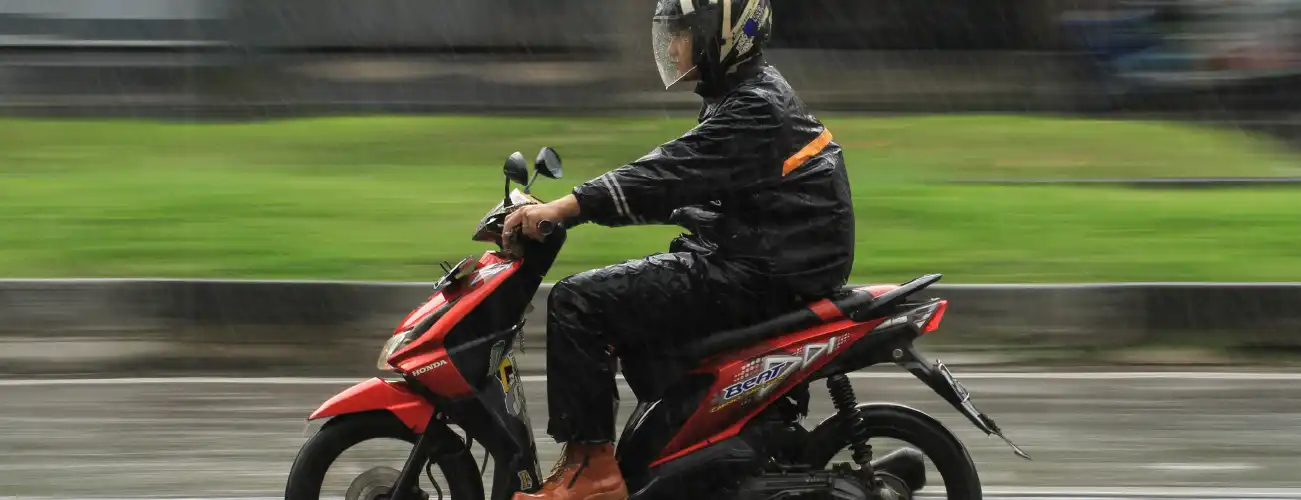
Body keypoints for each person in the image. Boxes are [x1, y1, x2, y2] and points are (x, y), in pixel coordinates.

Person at [503, 0, 854, 498]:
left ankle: (594, 473)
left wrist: (568, 207)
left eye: (684, 32)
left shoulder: (756, 107)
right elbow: (675, 186)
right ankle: (675, 455)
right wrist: (572, 210)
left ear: (725, 37)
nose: (670, 46)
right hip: (760, 259)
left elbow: (667, 172)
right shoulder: (742, 95)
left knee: (578, 302)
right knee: (636, 325)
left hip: (759, 271)